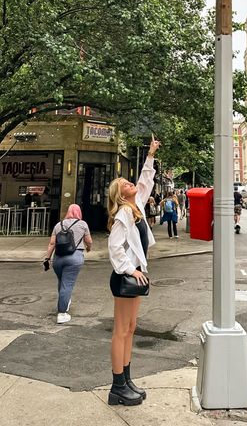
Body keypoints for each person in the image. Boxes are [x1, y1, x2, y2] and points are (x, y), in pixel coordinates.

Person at [107, 135, 161, 407]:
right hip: (124, 278)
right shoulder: (122, 215)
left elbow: (145, 181)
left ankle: (127, 380)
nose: (131, 184)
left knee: (131, 327)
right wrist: (131, 269)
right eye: (124, 184)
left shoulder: (135, 207)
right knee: (120, 329)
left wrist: (150, 154)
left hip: (134, 275)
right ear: (120, 194)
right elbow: (115, 249)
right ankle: (117, 386)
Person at [44, 204, 92, 324]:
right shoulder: (82, 224)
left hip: (58, 259)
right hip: (74, 258)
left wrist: (47, 258)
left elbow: (51, 244)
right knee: (67, 285)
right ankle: (62, 313)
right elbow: (89, 241)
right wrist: (88, 248)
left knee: (62, 282)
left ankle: (65, 301)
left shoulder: (58, 225)